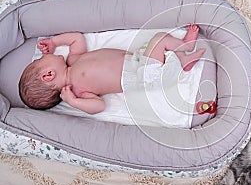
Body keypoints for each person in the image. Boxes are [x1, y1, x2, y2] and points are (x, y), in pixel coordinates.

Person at [19, 24, 205, 114]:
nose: (44, 55)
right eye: (42, 60)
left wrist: (54, 41)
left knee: (156, 47)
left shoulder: (73, 59)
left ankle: (183, 61)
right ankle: (186, 46)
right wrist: (74, 102)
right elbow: (98, 106)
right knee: (159, 39)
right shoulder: (78, 91)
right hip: (141, 76)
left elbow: (76, 38)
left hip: (138, 61)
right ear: (48, 75)